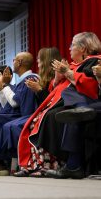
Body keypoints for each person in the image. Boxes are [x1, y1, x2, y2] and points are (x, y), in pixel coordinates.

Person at [17, 32, 101, 179]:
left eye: (72, 45)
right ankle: (40, 165)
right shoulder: (75, 66)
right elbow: (56, 91)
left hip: (89, 102)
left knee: (58, 115)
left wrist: (67, 73)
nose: (69, 49)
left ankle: (58, 164)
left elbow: (92, 87)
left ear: (82, 48)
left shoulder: (95, 62)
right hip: (74, 103)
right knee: (49, 116)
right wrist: (57, 78)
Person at [0, 47, 61, 175]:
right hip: (38, 114)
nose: (37, 63)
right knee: (7, 125)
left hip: (41, 114)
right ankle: (15, 164)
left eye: (39, 60)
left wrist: (4, 85)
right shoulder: (42, 79)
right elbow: (6, 105)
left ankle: (16, 164)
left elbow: (15, 103)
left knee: (14, 126)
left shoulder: (31, 79)